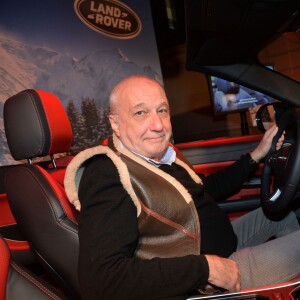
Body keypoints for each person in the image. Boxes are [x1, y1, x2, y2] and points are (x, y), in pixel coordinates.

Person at [64, 75, 300, 300]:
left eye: (162, 110)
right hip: (214, 281)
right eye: (140, 113)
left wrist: (257, 154)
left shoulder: (163, 156)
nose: (157, 125)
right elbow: (101, 282)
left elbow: (206, 188)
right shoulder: (108, 173)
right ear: (115, 123)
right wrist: (205, 269)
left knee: (287, 214)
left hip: (224, 242)